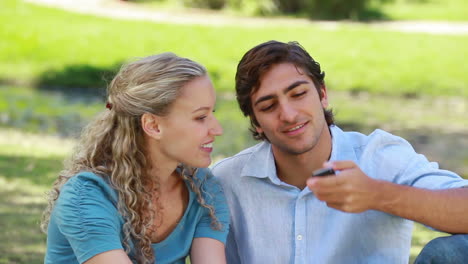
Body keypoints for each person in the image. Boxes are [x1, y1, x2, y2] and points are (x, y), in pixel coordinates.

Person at [211, 40, 468, 263]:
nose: (288, 115)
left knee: (453, 253)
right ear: (256, 122)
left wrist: (377, 194)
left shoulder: (380, 157)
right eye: (268, 107)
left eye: (298, 94)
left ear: (322, 94)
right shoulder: (226, 181)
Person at [41, 53, 229, 264]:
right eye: (201, 117)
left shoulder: (203, 188)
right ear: (153, 125)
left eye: (212, 113)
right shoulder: (86, 196)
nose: (217, 129)